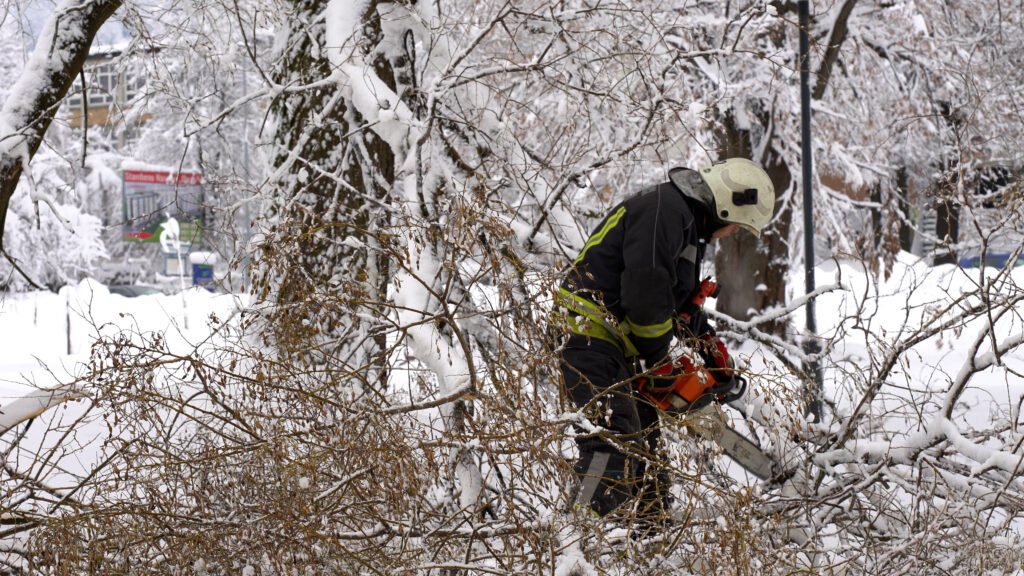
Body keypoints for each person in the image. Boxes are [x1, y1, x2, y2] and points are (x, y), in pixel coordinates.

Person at [556, 157, 776, 519]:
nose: (732, 233)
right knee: (610, 444)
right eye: (735, 226)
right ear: (724, 206)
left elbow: (679, 310)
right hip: (587, 336)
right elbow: (645, 293)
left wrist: (716, 363)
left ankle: (648, 543)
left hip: (615, 344)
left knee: (648, 458)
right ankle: (574, 540)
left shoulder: (686, 225)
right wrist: (661, 361)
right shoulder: (665, 211)